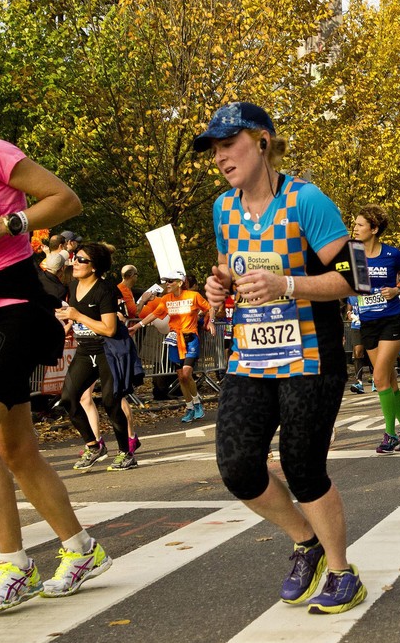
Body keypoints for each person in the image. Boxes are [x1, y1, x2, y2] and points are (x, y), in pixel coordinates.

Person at [198, 100, 367, 614]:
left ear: (263, 141)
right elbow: (231, 267)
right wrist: (218, 284)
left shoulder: (306, 201)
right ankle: (305, 541)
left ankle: (341, 572)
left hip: (311, 355)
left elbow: (354, 279)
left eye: (230, 145)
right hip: (251, 354)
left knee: (302, 464)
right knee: (236, 466)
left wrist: (286, 283)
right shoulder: (222, 209)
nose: (221, 158)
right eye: (215, 150)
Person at [0, 112, 111, 616]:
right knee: (15, 449)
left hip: (15, 309)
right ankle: (82, 550)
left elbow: (66, 199)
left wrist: (7, 223)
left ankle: (14, 564)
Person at [57, 242, 138, 471]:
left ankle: (125, 453)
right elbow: (77, 314)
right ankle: (94, 446)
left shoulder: (106, 290)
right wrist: (68, 324)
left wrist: (77, 316)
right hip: (85, 350)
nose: (74, 262)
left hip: (107, 350)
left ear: (94, 267)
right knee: (68, 398)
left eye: (81, 260)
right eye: (74, 257)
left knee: (111, 401)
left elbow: (110, 329)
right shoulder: (73, 286)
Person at [351, 205, 400, 453]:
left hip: (391, 320)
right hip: (368, 322)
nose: (355, 228)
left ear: (374, 229)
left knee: (379, 378)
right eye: (355, 224)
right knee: (390, 382)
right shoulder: (353, 254)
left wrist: (397, 290)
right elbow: (346, 284)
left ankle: (390, 434)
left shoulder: (393, 255)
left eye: (360, 225)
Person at [130, 270, 214, 423]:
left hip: (190, 339)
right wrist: (137, 326)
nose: (167, 284)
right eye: (166, 281)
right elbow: (155, 314)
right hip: (175, 340)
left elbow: (209, 308)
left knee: (187, 374)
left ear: (180, 283)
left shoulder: (193, 296)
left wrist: (211, 322)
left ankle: (197, 403)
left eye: (170, 281)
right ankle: (190, 407)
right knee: (181, 377)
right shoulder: (166, 299)